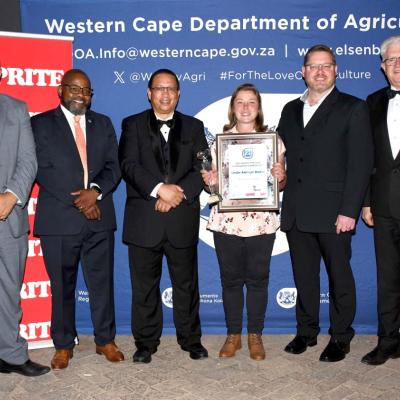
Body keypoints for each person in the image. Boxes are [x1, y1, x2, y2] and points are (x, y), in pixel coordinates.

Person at [278, 44, 373, 362]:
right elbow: (280, 152)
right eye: (313, 66)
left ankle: (341, 336)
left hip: (335, 212)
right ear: (302, 72)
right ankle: (306, 332)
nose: (319, 71)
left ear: (336, 71)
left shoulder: (353, 108)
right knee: (303, 276)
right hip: (296, 211)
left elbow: (360, 164)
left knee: (339, 277)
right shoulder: (290, 109)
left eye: (326, 66)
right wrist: (277, 169)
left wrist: (349, 211)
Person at [31, 69, 124, 370]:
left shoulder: (103, 124)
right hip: (59, 219)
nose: (80, 95)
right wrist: (82, 202)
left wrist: (94, 193)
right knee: (61, 286)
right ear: (61, 91)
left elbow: (114, 166)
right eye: (74, 89)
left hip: (99, 217)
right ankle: (62, 343)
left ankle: (104, 340)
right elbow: (40, 169)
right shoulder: (39, 124)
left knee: (101, 284)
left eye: (86, 91)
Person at [119, 68, 208, 364]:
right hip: (144, 221)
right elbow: (128, 165)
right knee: (144, 287)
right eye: (159, 88)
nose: (165, 94)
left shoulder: (195, 127)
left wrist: (175, 194)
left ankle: (191, 339)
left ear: (179, 93)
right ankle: (145, 343)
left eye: (171, 88)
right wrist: (159, 190)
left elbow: (203, 170)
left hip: (181, 218)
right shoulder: (131, 125)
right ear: (149, 92)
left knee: (186, 285)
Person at [201, 84, 286, 361]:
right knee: (231, 280)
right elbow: (213, 191)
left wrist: (280, 175)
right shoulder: (219, 142)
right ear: (233, 107)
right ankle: (233, 334)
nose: (246, 107)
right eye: (240, 102)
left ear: (258, 108)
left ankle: (255, 335)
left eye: (251, 102)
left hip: (261, 220)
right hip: (228, 222)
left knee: (259, 280)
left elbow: (281, 184)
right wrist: (211, 183)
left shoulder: (273, 140)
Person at [0, 66, 49, 377]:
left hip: (7, 216)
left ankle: (11, 355)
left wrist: (11, 195)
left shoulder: (16, 109)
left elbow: (28, 160)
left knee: (8, 289)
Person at [361, 35, 400, 365]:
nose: (397, 65)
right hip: (385, 206)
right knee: (387, 278)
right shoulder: (372, 102)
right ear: (382, 67)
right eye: (390, 60)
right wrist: (366, 201)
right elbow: (365, 158)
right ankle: (388, 341)